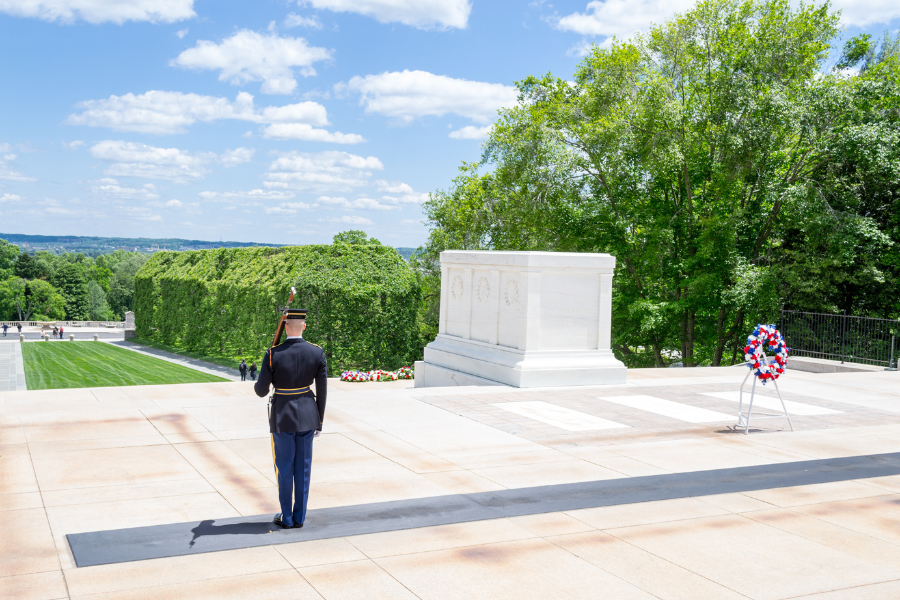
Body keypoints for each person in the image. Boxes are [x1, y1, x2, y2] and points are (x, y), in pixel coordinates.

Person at [254, 308, 327, 529]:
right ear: (304, 326)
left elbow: (260, 391)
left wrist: (269, 364)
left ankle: (286, 517)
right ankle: (300, 517)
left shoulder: (272, 354)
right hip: (307, 416)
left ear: (286, 327)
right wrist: (319, 422)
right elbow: (322, 391)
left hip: (282, 417)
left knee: (284, 468)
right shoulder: (317, 352)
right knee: (303, 469)